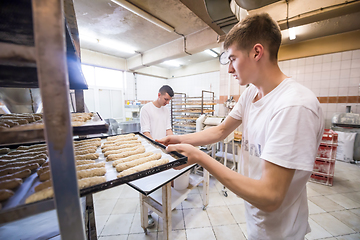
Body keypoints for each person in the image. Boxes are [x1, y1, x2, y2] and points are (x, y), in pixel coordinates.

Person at [157, 13, 324, 240]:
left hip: (282, 231)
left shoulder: (293, 106)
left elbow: (270, 196)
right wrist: (178, 139)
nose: (229, 69)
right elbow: (220, 130)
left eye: (233, 59)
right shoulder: (251, 93)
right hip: (258, 220)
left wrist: (201, 158)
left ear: (257, 52)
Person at [139, 84, 174, 227]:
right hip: (150, 152)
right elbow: (146, 133)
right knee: (149, 183)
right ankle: (147, 214)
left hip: (163, 150)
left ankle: (166, 203)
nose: (167, 102)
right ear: (159, 95)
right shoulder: (146, 109)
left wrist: (174, 142)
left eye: (169, 100)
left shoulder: (166, 111)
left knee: (165, 179)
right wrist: (157, 146)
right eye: (166, 99)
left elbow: (168, 129)